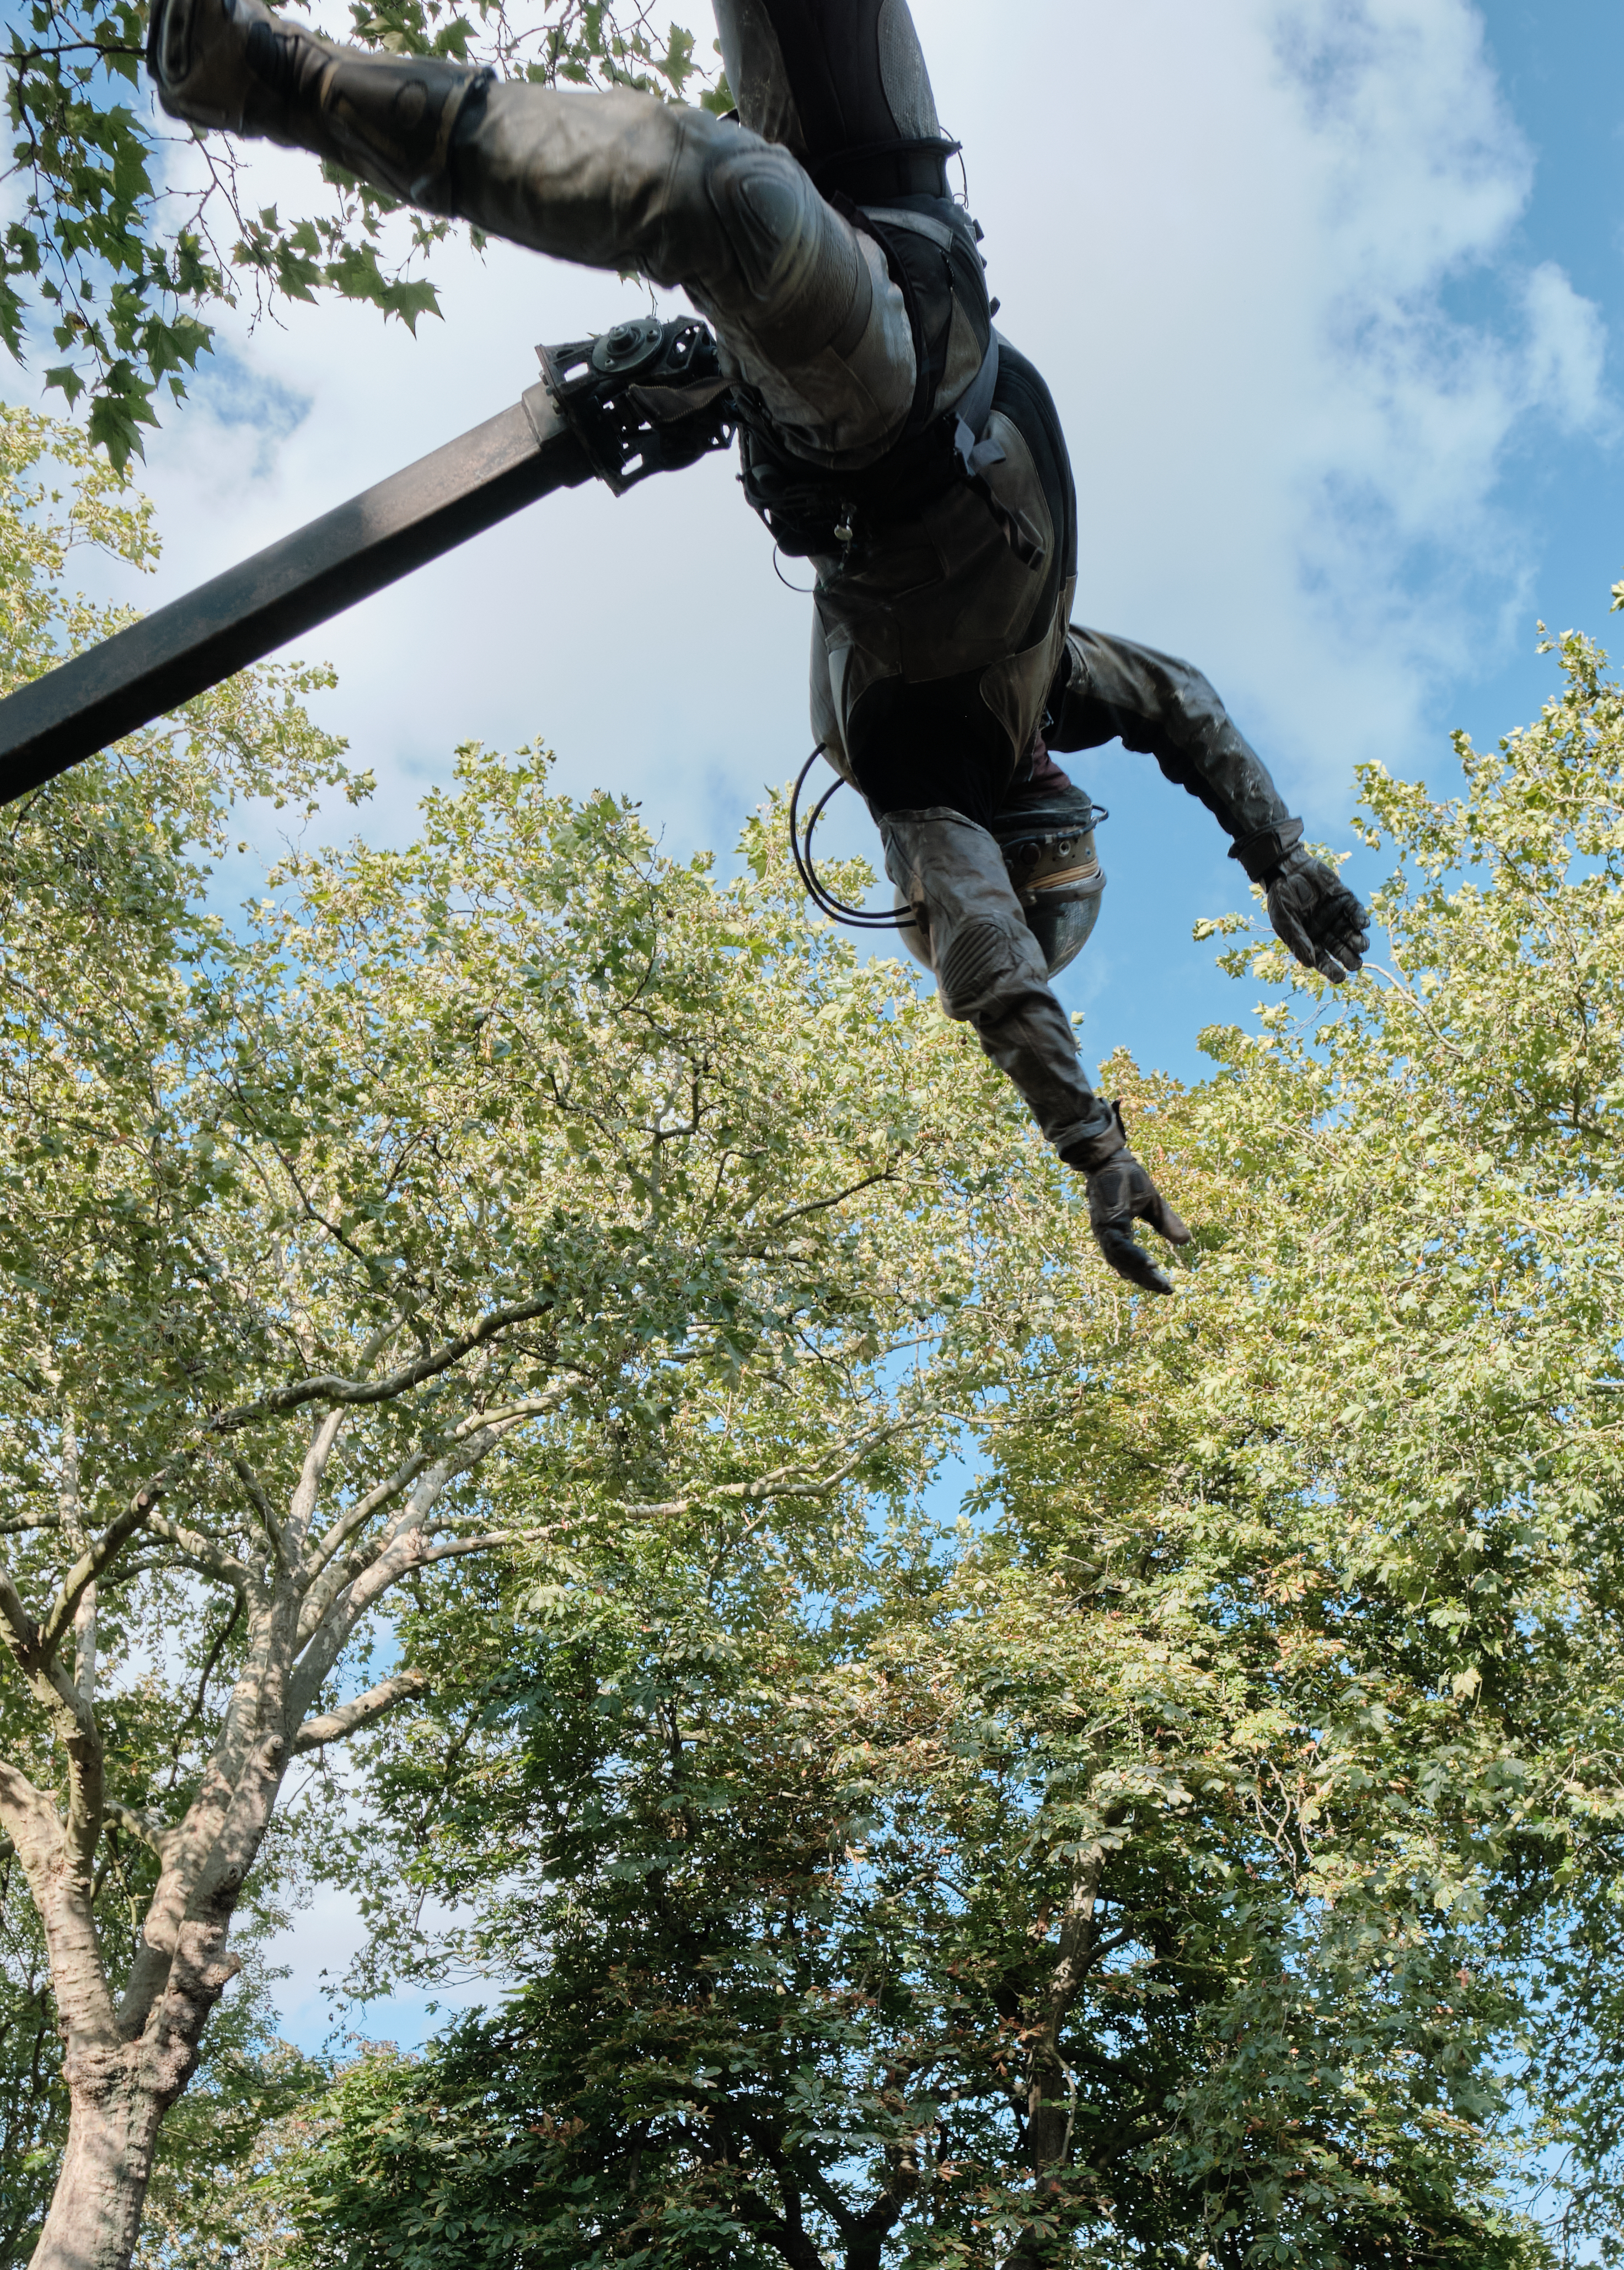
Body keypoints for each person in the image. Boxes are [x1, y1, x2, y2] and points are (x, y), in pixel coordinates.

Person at [146, 0, 1373, 1307]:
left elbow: (991, 970)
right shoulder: (1044, 679)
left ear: (1027, 839)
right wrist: (1279, 857)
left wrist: (1087, 1143)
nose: (1080, 805)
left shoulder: (915, 767)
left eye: (1065, 838)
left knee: (705, 190)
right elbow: (1182, 704)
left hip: (870, 399)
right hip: (912, 228)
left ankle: (259, 76)